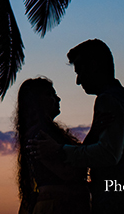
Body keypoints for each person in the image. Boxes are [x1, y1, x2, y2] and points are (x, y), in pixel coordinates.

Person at [32, 39, 124, 214]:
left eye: (79, 71)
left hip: (121, 204)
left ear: (93, 66)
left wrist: (59, 150)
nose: (78, 81)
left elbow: (108, 154)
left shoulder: (108, 100)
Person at [16, 77, 90, 214]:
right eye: (50, 94)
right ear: (36, 102)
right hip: (57, 206)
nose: (58, 99)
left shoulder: (42, 132)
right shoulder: (39, 136)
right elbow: (67, 173)